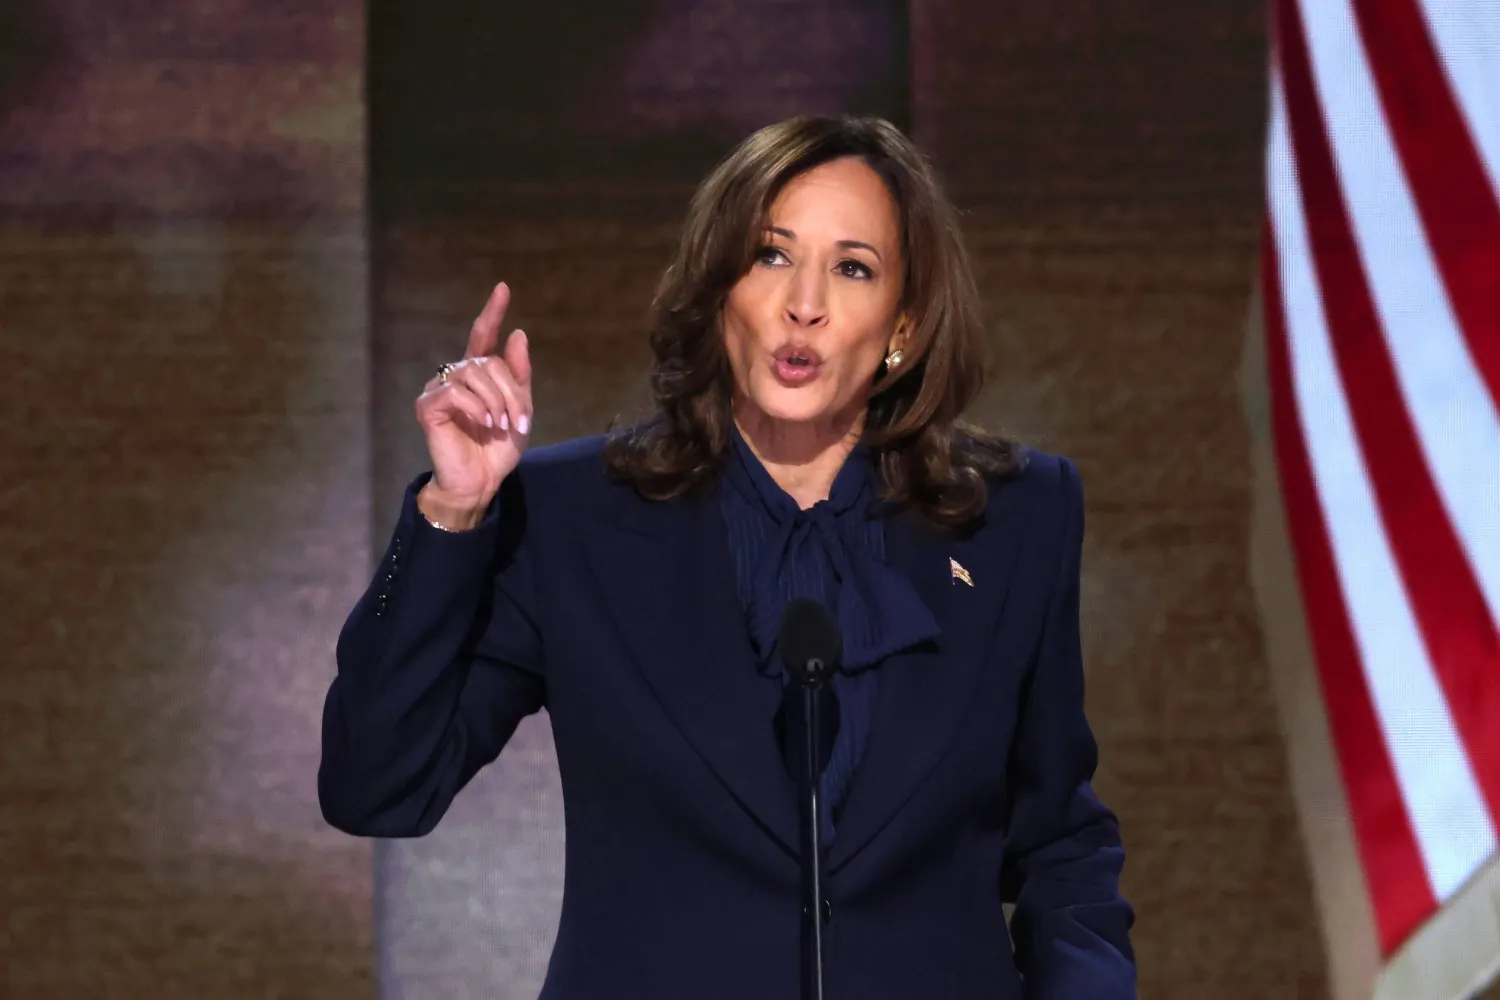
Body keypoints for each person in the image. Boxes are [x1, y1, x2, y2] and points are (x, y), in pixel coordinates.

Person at [318, 114, 1136, 999]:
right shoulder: (572, 518)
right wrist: (452, 511)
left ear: (902, 324)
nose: (805, 303)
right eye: (771, 256)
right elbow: (377, 786)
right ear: (718, 290)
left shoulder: (1016, 517)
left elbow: (1058, 841)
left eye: (852, 268)